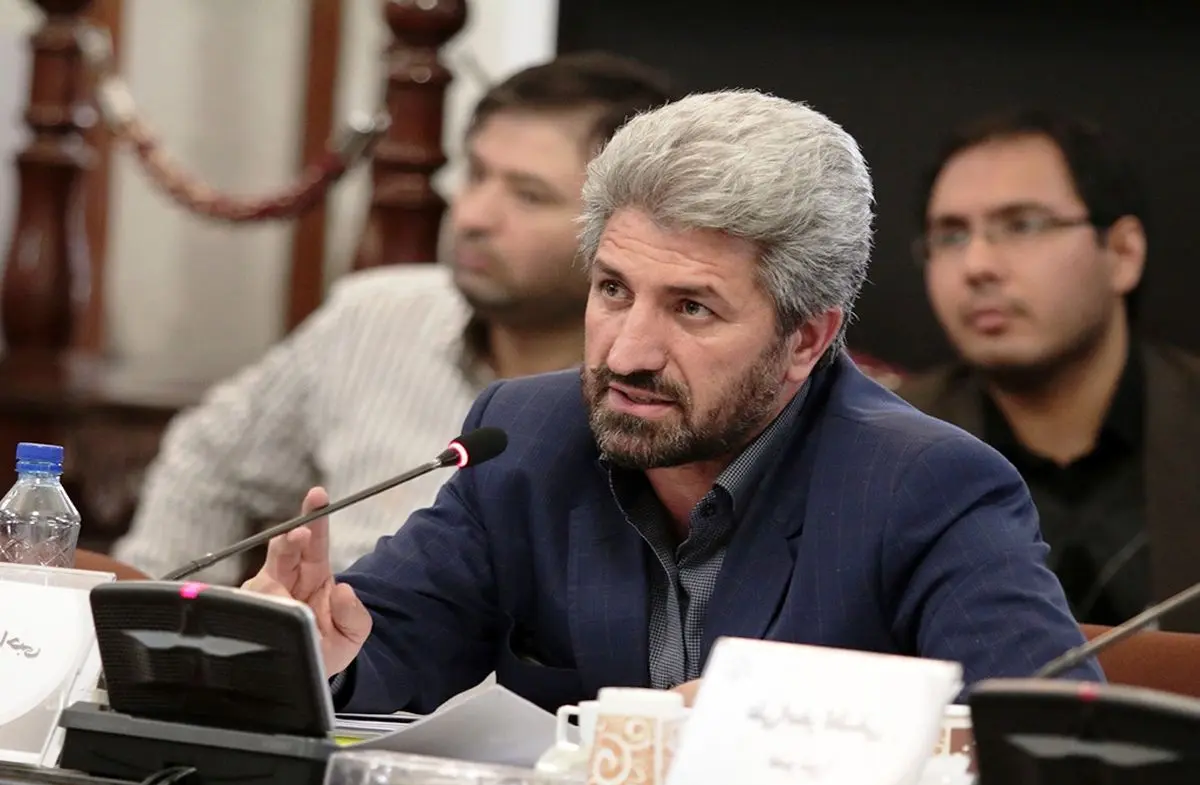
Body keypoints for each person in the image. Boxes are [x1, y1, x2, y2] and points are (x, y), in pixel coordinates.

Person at [243, 90, 1102, 714]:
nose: (627, 353)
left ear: (806, 338)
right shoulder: (529, 439)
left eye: (692, 308)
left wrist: (786, 722)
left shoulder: (924, 486)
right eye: (613, 290)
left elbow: (1044, 744)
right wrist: (312, 653)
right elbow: (385, 642)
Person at [110, 53, 676, 585]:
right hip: (331, 648)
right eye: (475, 174)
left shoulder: (657, 382)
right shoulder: (375, 315)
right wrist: (156, 622)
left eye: (528, 196)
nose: (473, 215)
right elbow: (208, 459)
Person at [898, 109, 1200, 632]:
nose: (977, 266)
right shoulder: (883, 446)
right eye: (950, 236)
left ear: (1123, 253)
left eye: (1023, 225)